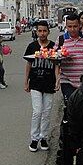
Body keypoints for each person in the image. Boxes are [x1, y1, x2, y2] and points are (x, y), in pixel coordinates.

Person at [23, 20, 60, 151]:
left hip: (49, 83)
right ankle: (34, 139)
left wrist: (57, 80)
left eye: (44, 31)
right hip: (35, 83)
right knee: (37, 111)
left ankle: (44, 137)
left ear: (48, 32)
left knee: (46, 112)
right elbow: (28, 64)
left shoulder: (54, 47)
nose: (42, 33)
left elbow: (56, 65)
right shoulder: (32, 46)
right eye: (40, 31)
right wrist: (26, 81)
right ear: (36, 32)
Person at [57, 13, 83, 101]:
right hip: (66, 81)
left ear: (79, 25)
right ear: (66, 26)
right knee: (70, 106)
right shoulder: (61, 40)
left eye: (75, 26)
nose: (72, 29)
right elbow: (55, 57)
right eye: (69, 26)